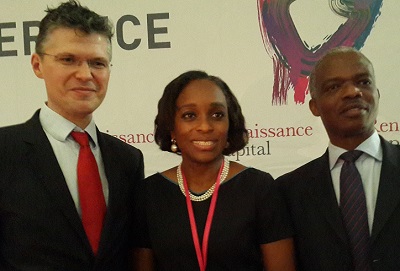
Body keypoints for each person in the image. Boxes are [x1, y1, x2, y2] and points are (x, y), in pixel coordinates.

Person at [0, 1, 144, 270]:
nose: (85, 74)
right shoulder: (4, 151)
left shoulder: (128, 160)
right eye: (68, 60)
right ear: (37, 65)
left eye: (97, 63)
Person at [132, 70, 296, 271]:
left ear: (230, 124)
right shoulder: (149, 194)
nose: (205, 126)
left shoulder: (259, 188)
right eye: (189, 115)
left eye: (217, 115)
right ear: (172, 129)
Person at [276, 46, 400, 270]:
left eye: (363, 82)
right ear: (315, 106)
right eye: (334, 86)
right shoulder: (288, 192)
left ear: (378, 94)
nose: (353, 92)